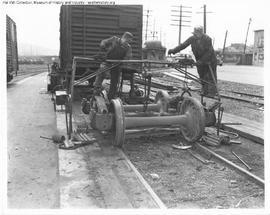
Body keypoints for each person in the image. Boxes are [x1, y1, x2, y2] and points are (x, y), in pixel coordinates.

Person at [168, 26, 218, 97]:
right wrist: (173, 50)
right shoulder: (192, 38)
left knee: (210, 76)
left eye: (197, 33)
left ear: (201, 33)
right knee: (202, 76)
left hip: (210, 60)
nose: (196, 35)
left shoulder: (207, 39)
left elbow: (209, 52)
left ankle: (212, 92)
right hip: (199, 60)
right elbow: (183, 45)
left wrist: (201, 61)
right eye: (195, 33)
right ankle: (205, 91)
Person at [93, 32, 133, 100]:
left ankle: (111, 97)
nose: (127, 43)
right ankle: (96, 91)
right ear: (124, 38)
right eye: (127, 41)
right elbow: (103, 42)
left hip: (116, 65)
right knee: (101, 72)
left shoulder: (128, 47)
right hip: (107, 62)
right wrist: (103, 46)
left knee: (115, 81)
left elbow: (128, 57)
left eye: (128, 42)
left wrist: (122, 62)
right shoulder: (114, 39)